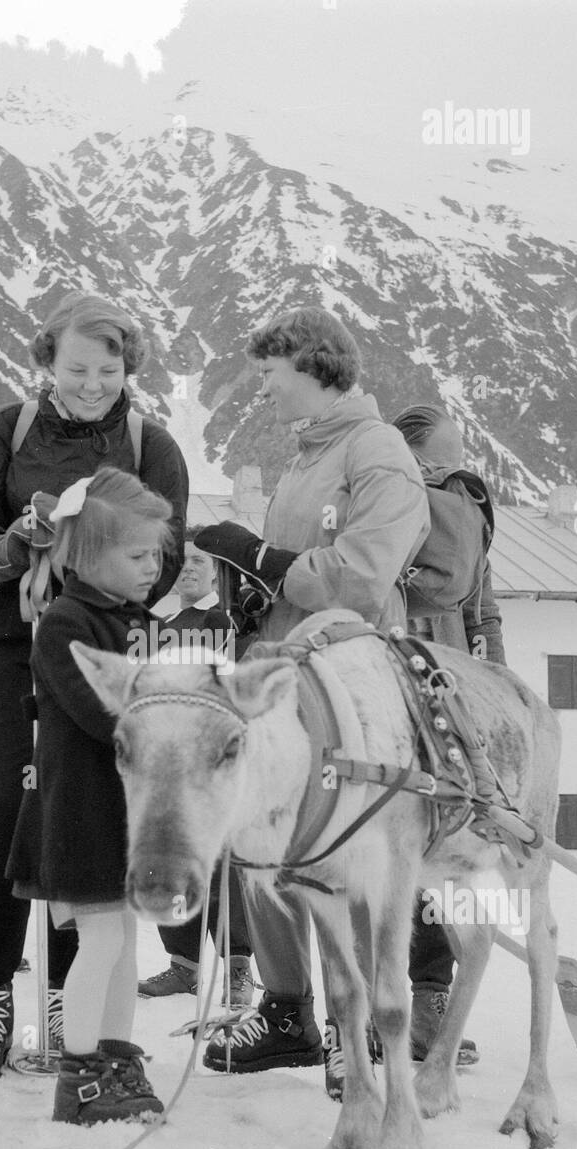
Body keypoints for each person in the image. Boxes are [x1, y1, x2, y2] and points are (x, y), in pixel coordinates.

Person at [0, 291, 188, 1079]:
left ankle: (66, 995)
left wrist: (92, 568)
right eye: (77, 367)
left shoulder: (153, 444)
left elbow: (165, 556)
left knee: (82, 815)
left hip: (105, 646)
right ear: (46, 362)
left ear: (129, 369)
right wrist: (15, 543)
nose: (93, 383)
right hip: (13, 647)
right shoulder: (5, 432)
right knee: (4, 810)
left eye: (109, 369)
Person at [194, 306, 431, 1077]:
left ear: (315, 366)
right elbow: (301, 568)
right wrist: (253, 593)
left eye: (270, 375)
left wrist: (264, 556)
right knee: (264, 828)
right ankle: (288, 1010)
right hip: (291, 667)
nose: (262, 391)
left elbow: (363, 576)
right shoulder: (307, 457)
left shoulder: (379, 453)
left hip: (351, 675)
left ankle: (351, 1027)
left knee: (344, 839)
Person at [8, 467, 173, 1124]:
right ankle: (78, 1075)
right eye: (137, 555)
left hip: (124, 814)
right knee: (100, 940)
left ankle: (114, 1057)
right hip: (80, 810)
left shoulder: (136, 620)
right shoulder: (65, 625)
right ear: (89, 553)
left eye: (157, 554)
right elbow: (100, 716)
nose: (152, 567)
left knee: (126, 942)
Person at [394, 403, 506, 1071]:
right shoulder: (391, 501)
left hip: (455, 691)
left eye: (460, 453)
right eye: (442, 456)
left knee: (442, 841)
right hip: (396, 677)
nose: (456, 466)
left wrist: (496, 683)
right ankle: (365, 1006)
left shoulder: (464, 517)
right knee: (390, 841)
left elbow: (484, 607)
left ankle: (430, 998)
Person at [138, 532, 255, 1004]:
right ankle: (183, 965)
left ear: (215, 573)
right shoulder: (160, 623)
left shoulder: (221, 620)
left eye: (199, 561)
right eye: (182, 561)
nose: (188, 568)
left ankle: (239, 970)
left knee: (221, 865)